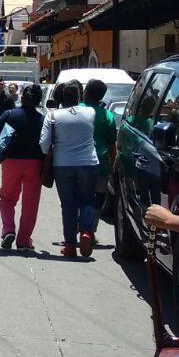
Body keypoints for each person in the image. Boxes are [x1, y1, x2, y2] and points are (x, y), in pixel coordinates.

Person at [40, 80, 100, 258]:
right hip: (89, 163)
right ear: (80, 97)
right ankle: (86, 232)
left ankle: (70, 245)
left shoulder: (52, 116)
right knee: (87, 200)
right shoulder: (90, 112)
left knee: (68, 205)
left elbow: (44, 144)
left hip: (63, 164)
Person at [0, 83, 46, 251]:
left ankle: (8, 230)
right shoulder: (43, 119)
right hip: (35, 164)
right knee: (30, 204)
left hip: (11, 163)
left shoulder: (10, 115)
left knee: (6, 198)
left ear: (21, 98)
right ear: (38, 101)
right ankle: (23, 241)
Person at [82, 78, 118, 241]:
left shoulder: (76, 110)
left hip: (79, 160)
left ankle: (78, 226)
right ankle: (90, 230)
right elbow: (112, 144)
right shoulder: (107, 115)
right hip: (101, 161)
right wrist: (113, 165)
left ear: (85, 93)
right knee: (97, 197)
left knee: (78, 195)